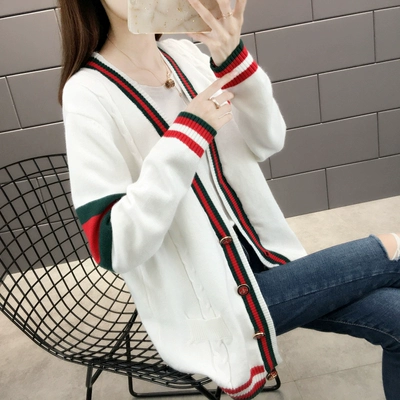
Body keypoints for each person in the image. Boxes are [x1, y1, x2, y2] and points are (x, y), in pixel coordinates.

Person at [59, 0, 400, 398]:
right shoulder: (87, 94)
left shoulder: (183, 56)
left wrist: (231, 59)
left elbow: (267, 141)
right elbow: (111, 244)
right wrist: (187, 135)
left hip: (269, 264)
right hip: (212, 305)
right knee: (392, 251)